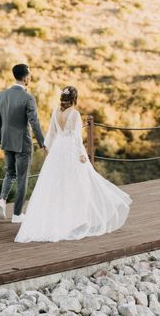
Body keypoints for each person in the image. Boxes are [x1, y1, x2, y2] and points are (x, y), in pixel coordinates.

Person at [15, 86, 131, 242]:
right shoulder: (75, 114)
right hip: (70, 150)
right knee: (77, 184)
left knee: (56, 186)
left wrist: (49, 150)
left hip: (57, 149)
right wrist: (81, 155)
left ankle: (60, 220)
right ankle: (75, 220)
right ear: (75, 99)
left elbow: (51, 134)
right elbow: (77, 138)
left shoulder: (56, 112)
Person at [0, 64, 46, 223]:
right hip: (23, 142)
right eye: (29, 75)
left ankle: (2, 200)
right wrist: (42, 142)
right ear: (25, 77)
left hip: (6, 140)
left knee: (9, 173)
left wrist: (0, 138)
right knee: (22, 178)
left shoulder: (1, 95)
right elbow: (34, 122)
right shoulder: (28, 97)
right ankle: (17, 215)